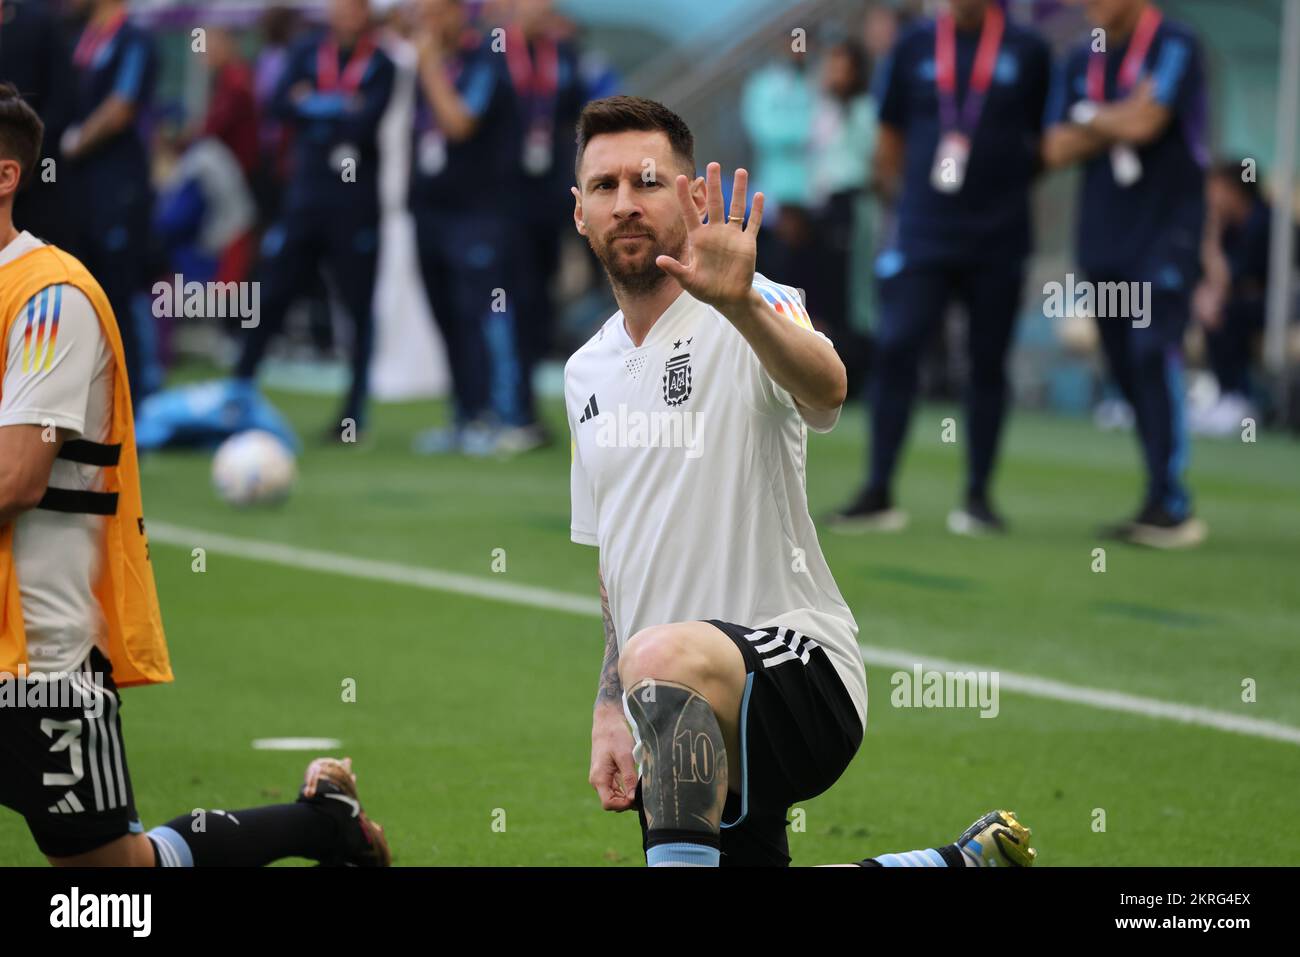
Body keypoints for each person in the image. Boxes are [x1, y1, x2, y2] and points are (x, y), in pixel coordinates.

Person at [569, 95, 1035, 867]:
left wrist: (744, 305)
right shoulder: (583, 369)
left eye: (647, 182)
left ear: (690, 196)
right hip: (670, 704)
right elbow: (613, 562)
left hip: (797, 669)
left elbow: (827, 389)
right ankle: (955, 865)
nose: (625, 203)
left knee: (658, 657)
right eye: (604, 186)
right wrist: (609, 706)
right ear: (579, 211)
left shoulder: (756, 301)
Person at [0, 83, 388, 867]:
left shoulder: (47, 298)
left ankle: (320, 823)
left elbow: (16, 476)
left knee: (112, 882)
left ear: (6, 175)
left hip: (36, 663)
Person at [831, 0, 1052, 536]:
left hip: (1000, 237)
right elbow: (890, 136)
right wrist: (903, 207)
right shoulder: (914, 46)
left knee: (986, 361)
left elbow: (1045, 142)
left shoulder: (1029, 50)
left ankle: (978, 497)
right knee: (897, 347)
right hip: (924, 234)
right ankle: (878, 489)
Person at [1043, 0, 1209, 547]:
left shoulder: (1176, 44)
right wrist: (1108, 118)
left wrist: (1090, 115)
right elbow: (1056, 146)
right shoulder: (1077, 59)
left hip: (1164, 236)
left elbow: (1148, 123)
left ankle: (1173, 500)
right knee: (1123, 363)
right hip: (1105, 240)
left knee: (1150, 350)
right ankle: (1157, 494)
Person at [234, 0, 396, 442]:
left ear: (366, 13)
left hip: (355, 204)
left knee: (356, 309)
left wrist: (315, 104)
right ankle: (238, 392)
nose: (345, 13)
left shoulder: (381, 62)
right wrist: (339, 105)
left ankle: (352, 415)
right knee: (271, 295)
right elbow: (281, 105)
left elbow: (364, 122)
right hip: (305, 199)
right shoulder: (307, 50)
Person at [408, 0, 527, 456]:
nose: (428, 23)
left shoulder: (484, 59)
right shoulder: (428, 62)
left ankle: (505, 417)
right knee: (448, 317)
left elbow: (458, 123)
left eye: (437, 12)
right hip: (432, 211)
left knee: (484, 314)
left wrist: (428, 67)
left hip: (479, 214)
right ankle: (465, 415)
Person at [60, 0, 158, 406]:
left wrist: (72, 144)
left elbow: (120, 109)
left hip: (118, 191)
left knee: (119, 300)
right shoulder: (78, 38)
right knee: (81, 301)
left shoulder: (134, 40)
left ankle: (134, 408)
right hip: (80, 193)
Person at [1190, 161, 1273, 435]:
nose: (1210, 197)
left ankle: (1238, 398)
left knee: (1227, 311)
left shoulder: (1265, 222)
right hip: (1247, 303)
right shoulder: (1231, 226)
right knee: (1216, 307)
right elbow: (1213, 280)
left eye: (1216, 189)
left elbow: (1227, 280)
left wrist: (1210, 235)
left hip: (1283, 305)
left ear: (1234, 191)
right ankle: (1224, 394)